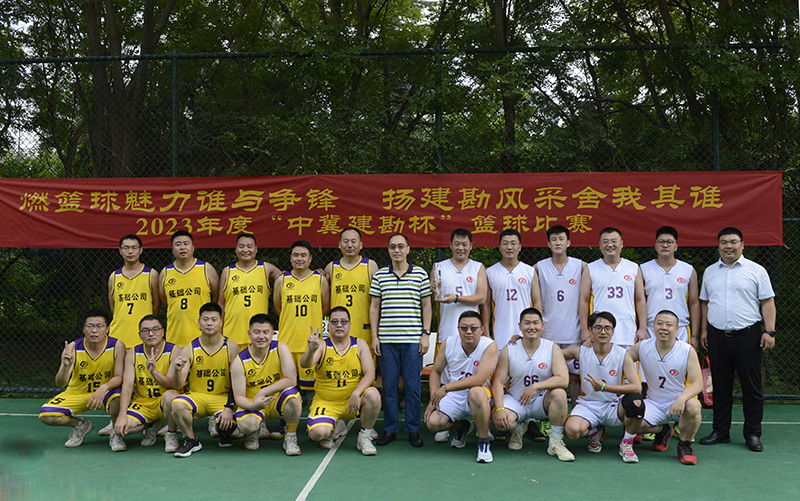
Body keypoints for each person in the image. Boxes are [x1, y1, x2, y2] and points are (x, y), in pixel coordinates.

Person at [699, 227, 776, 452]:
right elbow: (705, 303)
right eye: (724, 242)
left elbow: (767, 301)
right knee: (720, 387)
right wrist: (703, 331)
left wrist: (769, 331)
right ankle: (720, 431)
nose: (729, 246)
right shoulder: (710, 272)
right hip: (717, 336)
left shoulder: (756, 270)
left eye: (733, 242)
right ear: (718, 246)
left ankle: (752, 433)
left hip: (748, 337)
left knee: (751, 388)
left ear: (742, 245)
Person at [369, 233, 432, 448]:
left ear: (408, 249)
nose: (397, 250)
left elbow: (427, 306)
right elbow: (374, 307)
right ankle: (390, 429)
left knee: (413, 388)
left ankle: (413, 430)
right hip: (387, 341)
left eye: (401, 246)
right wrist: (375, 337)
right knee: (389, 389)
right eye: (393, 247)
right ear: (388, 250)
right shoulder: (380, 276)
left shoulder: (420, 274)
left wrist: (425, 334)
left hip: (413, 341)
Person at [492, 308, 574, 462]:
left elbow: (563, 380)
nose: (532, 327)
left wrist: (536, 386)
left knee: (559, 393)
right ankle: (518, 429)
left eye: (536, 323)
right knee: (500, 421)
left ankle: (556, 442)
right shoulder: (509, 349)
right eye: (527, 323)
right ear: (520, 326)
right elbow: (498, 382)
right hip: (516, 400)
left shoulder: (552, 348)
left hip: (540, 400)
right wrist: (500, 408)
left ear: (542, 325)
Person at [39, 309, 125, 451]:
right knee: (46, 415)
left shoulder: (117, 346)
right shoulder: (72, 348)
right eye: (90, 326)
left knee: (119, 397)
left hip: (104, 393)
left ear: (107, 329)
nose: (94, 331)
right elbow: (60, 384)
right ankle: (80, 425)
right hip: (77, 393)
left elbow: (119, 377)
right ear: (84, 329)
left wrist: (104, 387)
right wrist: (66, 366)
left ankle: (116, 433)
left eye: (99, 326)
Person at [564, 311, 644, 463]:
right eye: (598, 328)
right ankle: (594, 432)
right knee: (572, 432)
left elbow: (637, 387)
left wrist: (605, 387)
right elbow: (553, 354)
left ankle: (627, 444)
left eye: (607, 328)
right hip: (588, 405)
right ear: (590, 330)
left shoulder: (622, 354)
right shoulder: (580, 351)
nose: (603, 332)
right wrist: (522, 341)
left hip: (614, 406)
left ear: (613, 331)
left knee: (636, 402)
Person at [301, 306, 381, 455]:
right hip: (327, 402)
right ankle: (334, 425)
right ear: (328, 325)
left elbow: (370, 373)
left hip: (352, 402)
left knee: (373, 394)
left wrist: (356, 393)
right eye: (334, 322)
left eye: (343, 322)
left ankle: (365, 436)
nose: (339, 325)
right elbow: (305, 364)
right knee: (317, 434)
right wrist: (311, 350)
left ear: (350, 325)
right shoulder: (322, 345)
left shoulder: (359, 344)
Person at [629, 310, 703, 465]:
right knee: (630, 424)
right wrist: (593, 344)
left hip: (678, 404)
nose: (663, 327)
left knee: (694, 406)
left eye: (669, 325)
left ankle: (685, 445)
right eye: (659, 323)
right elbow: (622, 358)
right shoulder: (643, 347)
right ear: (653, 326)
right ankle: (663, 430)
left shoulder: (686, 350)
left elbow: (698, 383)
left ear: (676, 330)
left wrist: (682, 398)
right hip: (653, 403)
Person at [425, 311, 498, 463]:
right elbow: (436, 372)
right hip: (454, 395)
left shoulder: (489, 345)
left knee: (476, 392)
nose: (469, 332)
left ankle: (483, 442)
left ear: (482, 329)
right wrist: (433, 399)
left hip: (481, 395)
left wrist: (446, 388)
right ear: (458, 329)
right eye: (464, 328)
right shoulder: (448, 343)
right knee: (432, 423)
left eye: (474, 328)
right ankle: (462, 427)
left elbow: (479, 379)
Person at [169, 302, 240, 457]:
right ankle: (191, 439)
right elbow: (178, 384)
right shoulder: (189, 348)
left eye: (214, 319)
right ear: (199, 322)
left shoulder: (232, 347)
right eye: (205, 319)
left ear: (221, 323)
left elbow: (237, 383)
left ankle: (224, 434)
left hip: (221, 397)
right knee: (177, 404)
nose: (209, 323)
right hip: (198, 396)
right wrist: (177, 370)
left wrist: (229, 407)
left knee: (227, 427)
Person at [230, 314, 302, 454]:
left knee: (293, 397)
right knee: (246, 425)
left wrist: (264, 392)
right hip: (254, 402)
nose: (261, 336)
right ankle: (253, 432)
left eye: (265, 332)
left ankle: (290, 436)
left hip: (275, 401)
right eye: (256, 332)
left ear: (272, 333)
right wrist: (253, 406)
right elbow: (239, 396)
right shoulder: (239, 360)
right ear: (249, 334)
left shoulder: (281, 348)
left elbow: (291, 379)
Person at [113, 315, 181, 452]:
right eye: (145, 330)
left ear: (163, 332)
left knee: (171, 396)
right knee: (122, 429)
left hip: (164, 402)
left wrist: (154, 371)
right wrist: (122, 415)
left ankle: (171, 433)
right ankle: (150, 425)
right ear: (139, 335)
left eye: (155, 329)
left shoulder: (175, 350)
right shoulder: (133, 353)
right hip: (143, 403)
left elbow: (172, 384)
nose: (150, 334)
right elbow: (127, 385)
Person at [535, 224, 586, 403]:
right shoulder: (538, 267)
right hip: (549, 332)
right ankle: (546, 412)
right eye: (554, 240)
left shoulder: (581, 266)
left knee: (574, 377)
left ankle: (578, 411)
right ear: (548, 244)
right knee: (548, 376)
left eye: (561, 239)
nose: (558, 243)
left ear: (568, 242)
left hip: (573, 331)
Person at [273, 240, 330, 391]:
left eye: (303, 255)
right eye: (296, 255)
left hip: (311, 344)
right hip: (287, 342)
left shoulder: (320, 280)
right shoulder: (281, 281)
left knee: (311, 390)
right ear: (290, 258)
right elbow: (279, 308)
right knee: (286, 387)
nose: (299, 258)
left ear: (310, 259)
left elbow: (325, 309)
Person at [580, 227, 647, 349]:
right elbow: (584, 301)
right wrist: (585, 330)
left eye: (614, 241)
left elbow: (640, 300)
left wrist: (642, 328)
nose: (610, 245)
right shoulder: (591, 268)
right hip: (600, 332)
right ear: (600, 245)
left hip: (627, 331)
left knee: (627, 361)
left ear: (621, 244)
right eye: (605, 242)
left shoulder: (633, 268)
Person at [218, 232, 281, 350]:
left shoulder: (266, 268)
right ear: (236, 249)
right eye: (241, 246)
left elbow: (289, 281)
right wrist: (219, 332)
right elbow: (221, 304)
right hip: (232, 334)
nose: (245, 250)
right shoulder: (227, 271)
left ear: (256, 249)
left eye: (249, 246)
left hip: (259, 336)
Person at [640, 226, 700, 347]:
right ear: (655, 245)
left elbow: (694, 303)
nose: (665, 245)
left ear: (676, 246)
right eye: (661, 242)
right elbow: (639, 301)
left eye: (669, 242)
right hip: (652, 328)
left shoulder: (688, 270)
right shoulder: (643, 269)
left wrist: (694, 335)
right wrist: (641, 328)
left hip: (680, 328)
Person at [159, 230, 219, 348]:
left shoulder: (206, 269)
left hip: (202, 337)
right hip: (174, 337)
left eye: (186, 244)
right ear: (172, 249)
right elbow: (165, 301)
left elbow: (216, 297)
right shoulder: (165, 272)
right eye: (178, 244)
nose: (182, 247)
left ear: (193, 248)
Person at [483, 229, 540, 349]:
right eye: (505, 243)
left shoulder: (529, 271)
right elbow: (486, 305)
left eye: (513, 243)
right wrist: (487, 334)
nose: (509, 247)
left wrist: (536, 329)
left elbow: (537, 302)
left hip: (526, 333)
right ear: (499, 247)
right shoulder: (490, 272)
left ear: (520, 247)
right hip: (500, 334)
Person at [324, 227, 379, 351]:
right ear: (339, 244)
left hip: (364, 329)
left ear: (361, 245)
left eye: (353, 241)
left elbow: (378, 302)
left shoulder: (371, 266)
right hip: (338, 331)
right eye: (346, 241)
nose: (349, 245)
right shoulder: (331, 268)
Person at [431, 228, 488, 344]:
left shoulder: (478, 267)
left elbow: (482, 298)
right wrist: (433, 291)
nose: (460, 248)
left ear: (471, 246)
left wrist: (456, 298)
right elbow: (431, 300)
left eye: (464, 244)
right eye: (457, 244)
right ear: (451, 245)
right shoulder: (438, 267)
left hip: (472, 334)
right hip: (446, 333)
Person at [108, 234, 160, 350]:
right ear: (120, 251)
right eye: (126, 248)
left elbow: (156, 306)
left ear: (141, 250)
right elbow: (114, 307)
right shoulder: (114, 277)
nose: (130, 251)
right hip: (118, 336)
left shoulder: (151, 274)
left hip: (144, 338)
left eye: (134, 247)